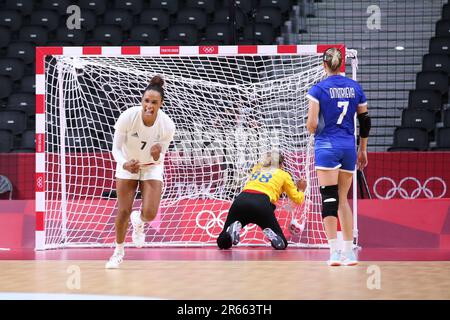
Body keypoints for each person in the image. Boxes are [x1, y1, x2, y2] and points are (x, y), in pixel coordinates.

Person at [306, 47, 370, 266]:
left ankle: (334, 252)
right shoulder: (355, 87)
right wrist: (363, 149)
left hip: (327, 146)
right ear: (341, 64)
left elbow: (312, 124)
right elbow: (365, 121)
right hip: (348, 147)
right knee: (343, 199)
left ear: (325, 65)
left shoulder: (318, 89)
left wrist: (312, 128)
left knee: (329, 198)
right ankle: (349, 252)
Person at [106, 75, 176, 269]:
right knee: (123, 211)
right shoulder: (128, 116)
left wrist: (156, 154)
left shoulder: (168, 125)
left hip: (151, 167)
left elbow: (159, 156)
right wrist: (124, 163)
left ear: (161, 104)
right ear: (141, 101)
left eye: (154, 102)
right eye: (146, 101)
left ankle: (140, 221)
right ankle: (118, 252)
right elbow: (116, 149)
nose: (149, 105)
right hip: (128, 165)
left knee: (151, 214)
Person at [216, 150, 306, 250]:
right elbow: (297, 199)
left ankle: (233, 229)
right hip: (262, 204)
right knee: (282, 244)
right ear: (281, 164)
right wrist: (301, 189)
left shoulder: (256, 168)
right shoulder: (283, 174)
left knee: (222, 242)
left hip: (241, 200)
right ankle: (273, 234)